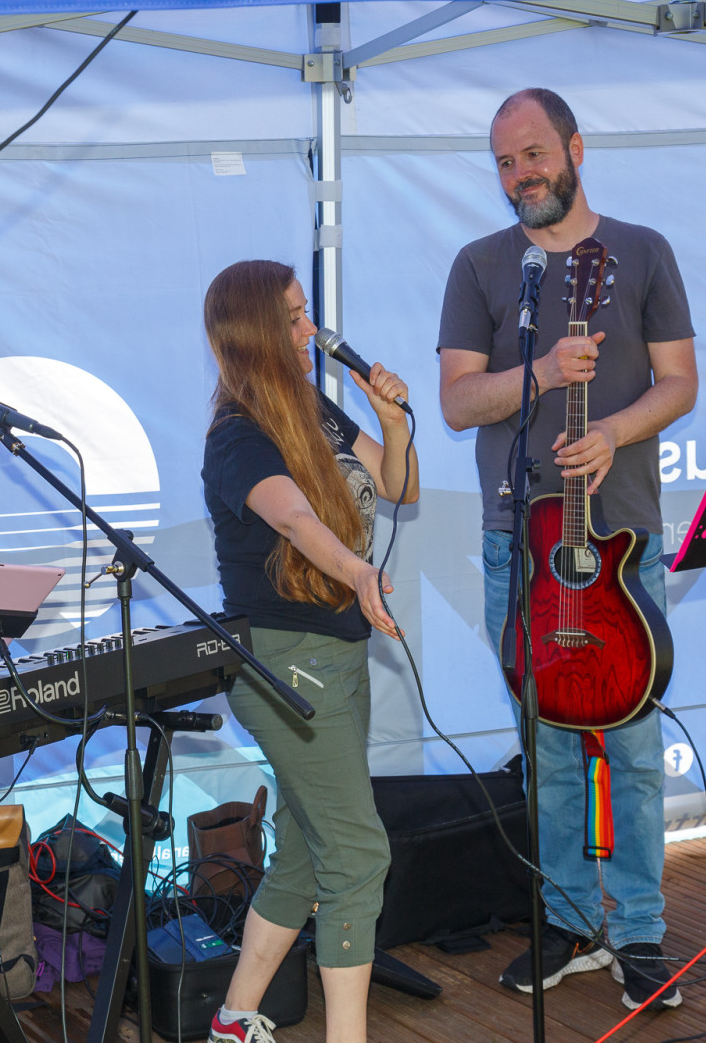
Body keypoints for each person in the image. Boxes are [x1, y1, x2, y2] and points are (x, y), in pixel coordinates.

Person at [436, 88, 698, 1011]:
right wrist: (543, 372)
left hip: (622, 539)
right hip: (520, 544)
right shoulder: (480, 266)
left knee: (631, 743)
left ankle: (639, 931)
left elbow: (681, 382)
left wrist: (614, 431)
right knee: (546, 742)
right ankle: (568, 919)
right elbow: (457, 402)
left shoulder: (644, 250)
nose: (521, 175)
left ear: (575, 149)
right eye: (505, 162)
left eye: (534, 154)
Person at [201, 260, 418, 1043]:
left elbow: (397, 487)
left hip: (337, 651)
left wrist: (392, 422)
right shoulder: (237, 436)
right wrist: (358, 571)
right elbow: (294, 519)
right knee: (357, 855)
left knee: (304, 848)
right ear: (259, 331)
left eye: (306, 313)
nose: (311, 330)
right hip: (284, 659)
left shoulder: (312, 406)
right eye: (294, 317)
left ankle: (233, 1021)